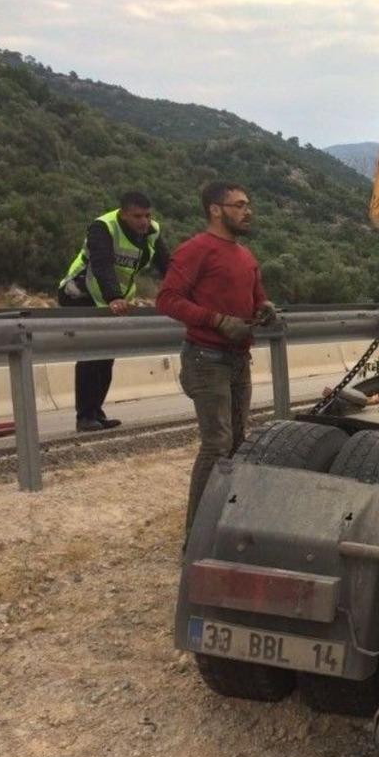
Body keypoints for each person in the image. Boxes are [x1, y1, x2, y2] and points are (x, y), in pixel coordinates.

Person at [157, 182, 276, 533]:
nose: (247, 210)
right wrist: (218, 321)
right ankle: (197, 535)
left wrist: (264, 307)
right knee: (217, 444)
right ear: (215, 209)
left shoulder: (245, 255)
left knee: (239, 443)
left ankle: (226, 526)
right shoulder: (196, 250)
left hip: (238, 359)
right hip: (206, 359)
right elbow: (167, 300)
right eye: (239, 205)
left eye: (247, 204)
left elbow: (258, 297)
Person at [57, 191, 170, 431]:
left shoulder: (152, 231)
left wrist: (182, 294)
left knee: (107, 354)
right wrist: (114, 296)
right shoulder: (103, 227)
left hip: (111, 299)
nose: (144, 222)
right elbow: (102, 264)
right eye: (137, 216)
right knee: (92, 353)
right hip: (80, 293)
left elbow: (167, 266)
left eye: (148, 216)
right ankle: (85, 416)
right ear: (123, 214)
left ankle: (96, 412)